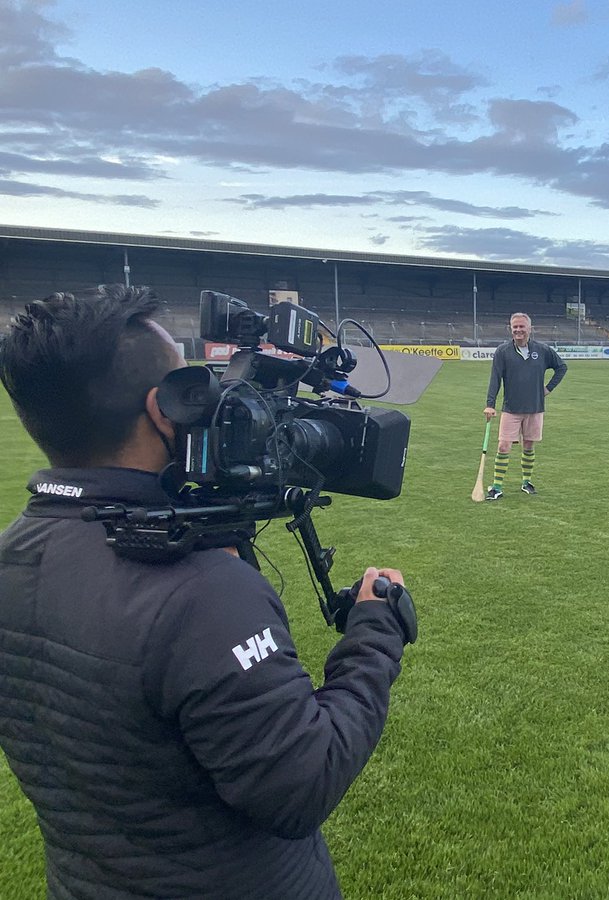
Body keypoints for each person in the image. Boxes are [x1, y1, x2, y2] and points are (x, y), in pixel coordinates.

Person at [0, 285, 417, 899]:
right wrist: (376, 631)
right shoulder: (201, 593)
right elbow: (301, 783)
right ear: (162, 410)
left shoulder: (13, 551)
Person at [483, 312, 568, 499]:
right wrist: (490, 404)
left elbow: (561, 367)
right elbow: (495, 379)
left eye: (522, 326)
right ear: (510, 329)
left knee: (528, 446)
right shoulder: (503, 351)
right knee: (504, 446)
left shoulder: (543, 350)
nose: (518, 330)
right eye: (515, 327)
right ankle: (497, 487)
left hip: (535, 407)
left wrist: (548, 388)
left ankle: (526, 482)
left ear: (530, 328)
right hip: (511, 408)